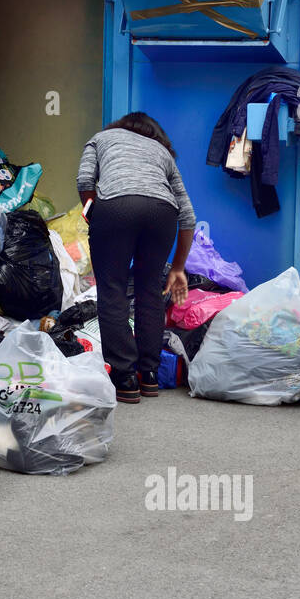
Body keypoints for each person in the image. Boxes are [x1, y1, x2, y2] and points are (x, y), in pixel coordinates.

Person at [78, 112, 196, 403]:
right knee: (150, 290)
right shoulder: (163, 153)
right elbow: (188, 216)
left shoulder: (101, 139)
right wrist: (178, 268)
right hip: (162, 214)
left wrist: (96, 217)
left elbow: (84, 180)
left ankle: (125, 377)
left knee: (113, 290)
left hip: (116, 206)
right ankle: (149, 375)